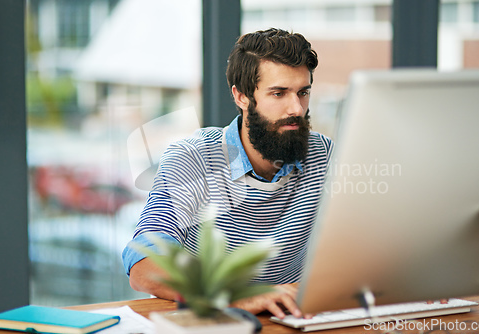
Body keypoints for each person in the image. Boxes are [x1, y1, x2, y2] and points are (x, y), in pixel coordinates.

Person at [122, 28, 333, 319]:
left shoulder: (324, 155)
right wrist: (231, 298)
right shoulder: (193, 158)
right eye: (279, 93)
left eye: (303, 92)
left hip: (292, 319)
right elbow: (143, 262)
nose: (296, 108)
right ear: (242, 96)